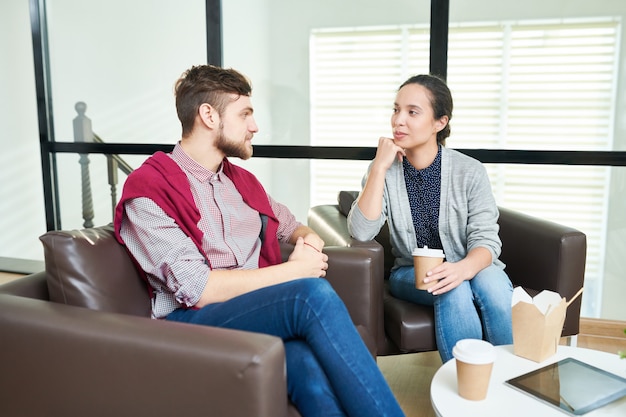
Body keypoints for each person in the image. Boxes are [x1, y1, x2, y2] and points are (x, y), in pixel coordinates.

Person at [113, 64, 404, 417]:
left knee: (307, 368)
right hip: (188, 324)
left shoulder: (240, 182)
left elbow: (291, 225)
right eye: (245, 114)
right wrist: (295, 271)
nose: (255, 126)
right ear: (208, 115)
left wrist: (308, 240)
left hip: (251, 311)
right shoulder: (148, 192)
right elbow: (198, 288)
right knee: (310, 296)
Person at [347, 74, 513, 363]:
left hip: (468, 264)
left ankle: (512, 380)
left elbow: (486, 239)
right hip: (409, 273)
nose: (398, 120)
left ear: (440, 122)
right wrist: (379, 168)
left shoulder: (470, 171)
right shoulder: (384, 170)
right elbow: (361, 232)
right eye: (396, 109)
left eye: (412, 112)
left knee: (494, 285)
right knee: (452, 286)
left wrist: (461, 268)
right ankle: (468, 389)